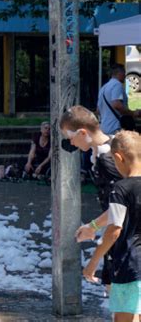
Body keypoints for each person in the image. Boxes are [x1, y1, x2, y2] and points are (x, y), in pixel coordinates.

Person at [60, 105, 123, 289]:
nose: (71, 143)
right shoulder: (109, 148)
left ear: (82, 132)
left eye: (70, 138)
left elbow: (122, 206)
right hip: (120, 234)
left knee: (124, 309)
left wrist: (92, 227)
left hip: (125, 237)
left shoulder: (106, 158)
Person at [82, 130, 141, 321]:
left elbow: (114, 230)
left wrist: (93, 263)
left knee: (124, 318)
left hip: (130, 264)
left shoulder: (121, 189)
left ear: (118, 157)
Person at [97, 64, 140, 135]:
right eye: (124, 73)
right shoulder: (117, 85)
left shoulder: (103, 88)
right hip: (115, 128)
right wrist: (133, 113)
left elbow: (98, 110)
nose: (125, 75)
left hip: (104, 128)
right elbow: (117, 104)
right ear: (119, 73)